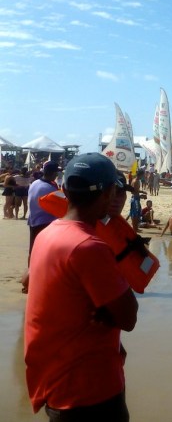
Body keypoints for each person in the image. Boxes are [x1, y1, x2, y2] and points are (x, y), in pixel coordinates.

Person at [24, 152, 138, 420]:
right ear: (109, 194)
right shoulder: (89, 247)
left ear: (64, 190)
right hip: (88, 390)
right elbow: (128, 316)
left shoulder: (48, 234)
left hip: (56, 380)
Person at [21, 161, 61, 293]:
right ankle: (33, 282)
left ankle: (29, 282)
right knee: (43, 254)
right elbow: (64, 203)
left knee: (32, 251)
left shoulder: (35, 183)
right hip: (45, 223)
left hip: (33, 220)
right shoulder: (50, 188)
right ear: (54, 173)